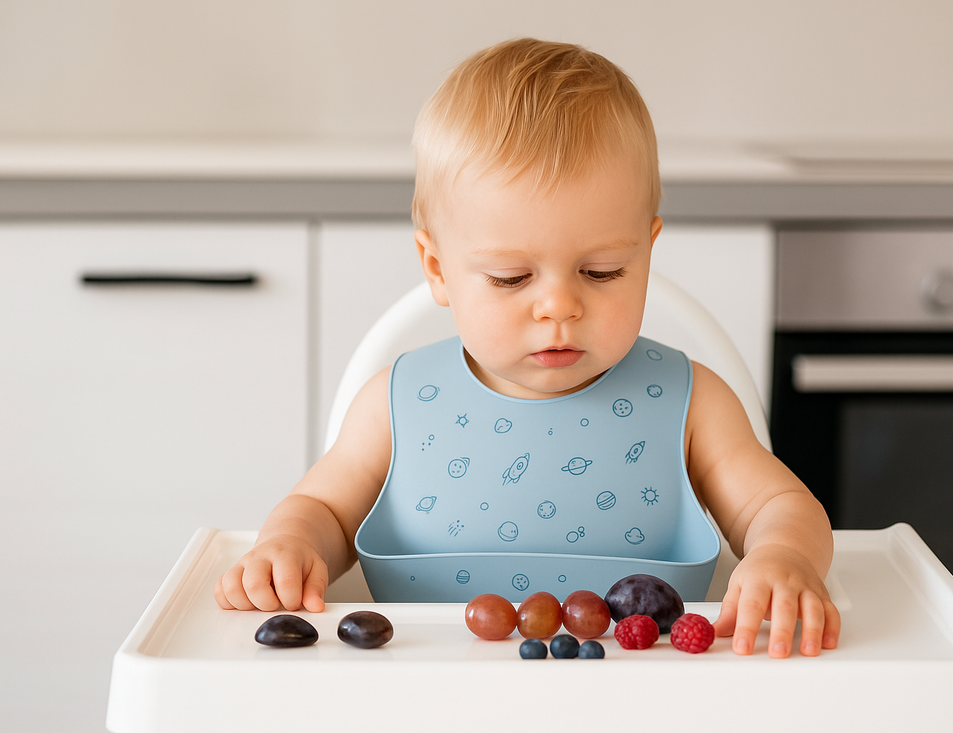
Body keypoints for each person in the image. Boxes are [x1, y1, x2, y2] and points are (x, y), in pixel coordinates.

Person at [215, 37, 840, 658]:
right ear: (437, 268)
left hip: (640, 688)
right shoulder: (393, 405)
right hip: (425, 685)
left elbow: (780, 505)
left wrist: (784, 554)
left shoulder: (694, 403)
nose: (558, 306)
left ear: (647, 254)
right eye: (511, 278)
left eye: (602, 272)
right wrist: (290, 544)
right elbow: (323, 508)